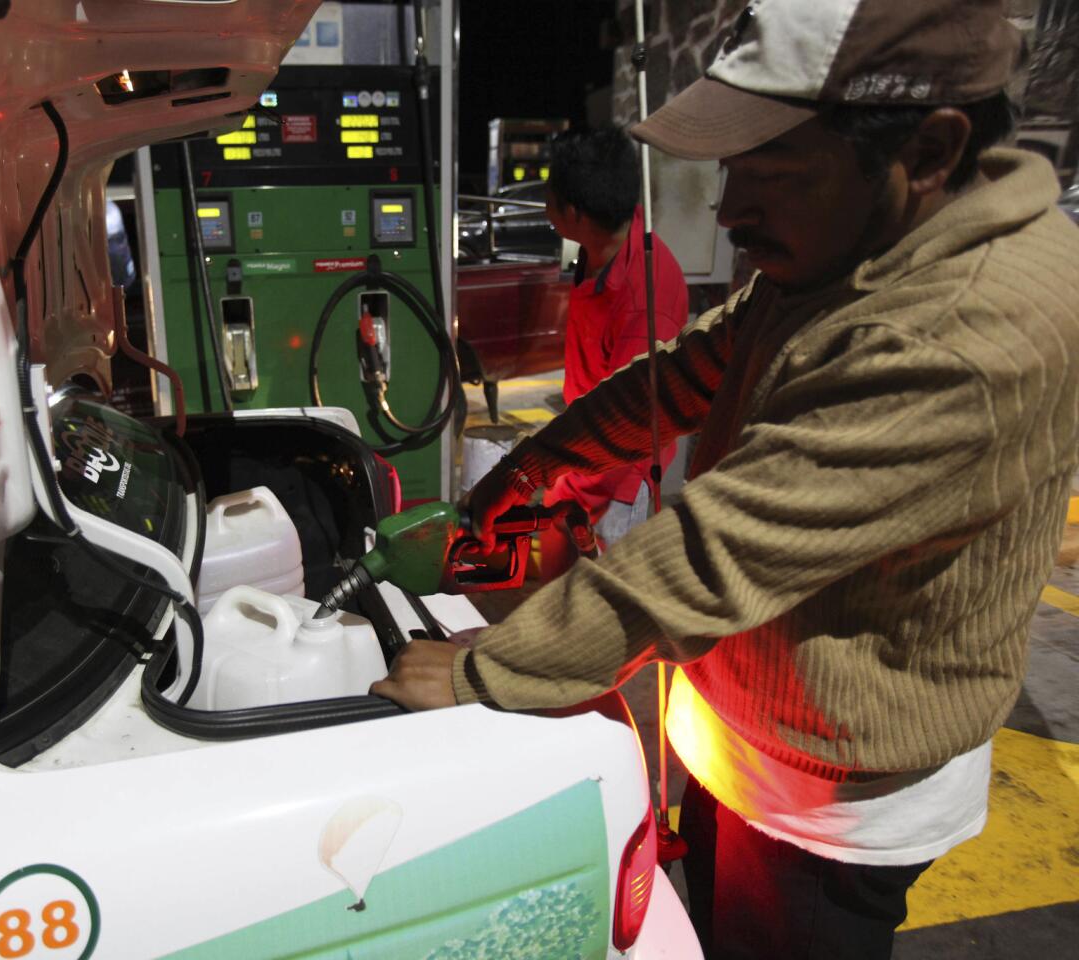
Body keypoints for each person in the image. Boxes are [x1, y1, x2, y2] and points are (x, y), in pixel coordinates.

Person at [371, 1, 1079, 957]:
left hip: (827, 802)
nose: (733, 214)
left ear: (933, 148)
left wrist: (484, 670)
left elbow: (716, 554)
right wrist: (536, 468)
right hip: (750, 734)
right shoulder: (861, 245)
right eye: (728, 171)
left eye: (769, 174)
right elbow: (696, 364)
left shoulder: (963, 334)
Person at [538, 127, 689, 579]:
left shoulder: (647, 299)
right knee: (553, 586)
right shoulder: (598, 248)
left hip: (617, 478)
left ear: (574, 212)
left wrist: (568, 486)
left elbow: (627, 426)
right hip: (582, 451)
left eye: (550, 198)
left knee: (598, 608)